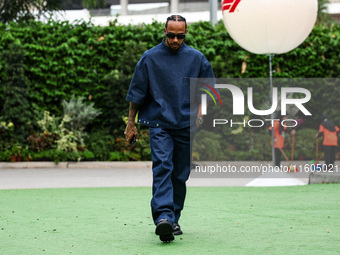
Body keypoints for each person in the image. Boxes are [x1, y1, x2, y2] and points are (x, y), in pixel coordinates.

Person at [124, 15, 215, 242]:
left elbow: (208, 91)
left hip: (186, 123)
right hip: (159, 123)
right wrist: (130, 123)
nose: (175, 40)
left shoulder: (197, 58)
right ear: (164, 31)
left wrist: (201, 116)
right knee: (163, 166)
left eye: (180, 36)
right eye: (171, 35)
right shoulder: (149, 58)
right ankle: (163, 217)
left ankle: (173, 218)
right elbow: (137, 93)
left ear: (186, 33)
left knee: (180, 174)